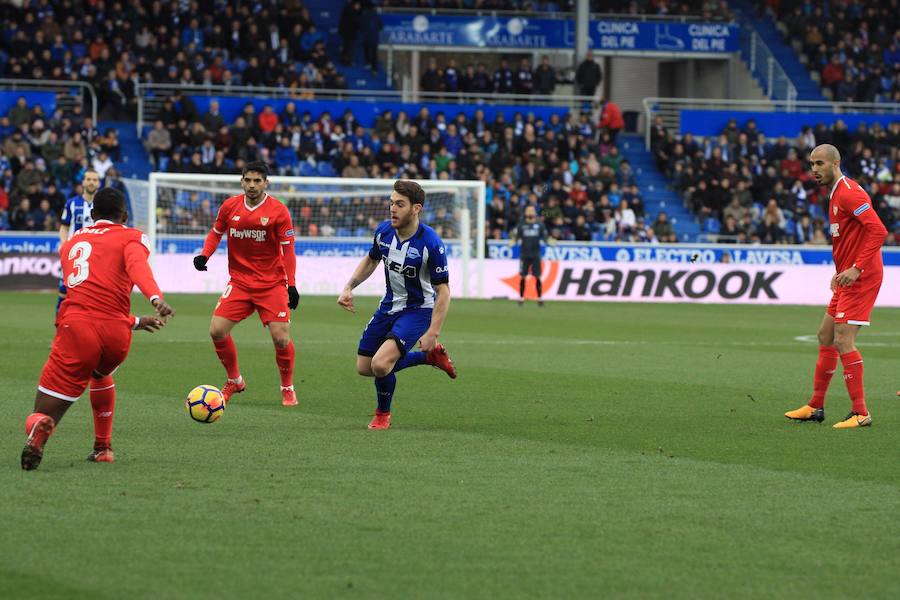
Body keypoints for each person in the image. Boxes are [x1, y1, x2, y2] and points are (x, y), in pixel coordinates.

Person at [21, 187, 175, 470]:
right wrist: (153, 299)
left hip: (77, 329)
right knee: (101, 371)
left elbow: (89, 294)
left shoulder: (73, 242)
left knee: (41, 411)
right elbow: (137, 266)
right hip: (117, 335)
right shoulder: (133, 236)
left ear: (92, 215)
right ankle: (103, 447)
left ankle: (40, 427)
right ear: (125, 216)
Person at [337, 180, 457, 430]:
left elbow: (443, 291)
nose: (393, 209)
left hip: (418, 311)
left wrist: (432, 331)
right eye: (391, 203)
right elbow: (371, 260)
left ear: (416, 209)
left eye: (400, 204)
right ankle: (427, 359)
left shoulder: (431, 243)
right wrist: (349, 286)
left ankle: (383, 414)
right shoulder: (383, 232)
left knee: (380, 364)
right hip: (389, 307)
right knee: (364, 367)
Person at [785, 144, 887, 429]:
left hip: (863, 276)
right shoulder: (834, 194)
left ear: (835, 163)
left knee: (843, 339)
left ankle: (861, 413)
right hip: (848, 275)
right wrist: (842, 270)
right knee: (825, 335)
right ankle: (816, 406)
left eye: (819, 164)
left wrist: (857, 268)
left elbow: (878, 230)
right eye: (811, 164)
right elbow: (849, 238)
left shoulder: (850, 192)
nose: (814, 170)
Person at [192, 162, 300, 407]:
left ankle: (287, 387)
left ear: (265, 183)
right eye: (248, 180)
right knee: (217, 330)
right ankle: (234, 380)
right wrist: (204, 255)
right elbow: (216, 232)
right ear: (242, 181)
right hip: (240, 282)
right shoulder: (230, 206)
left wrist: (291, 285)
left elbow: (288, 250)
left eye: (257, 181)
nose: (252, 185)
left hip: (272, 284)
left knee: (280, 338)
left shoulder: (279, 211)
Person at [57, 169, 101, 314]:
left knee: (94, 292)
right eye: (88, 179)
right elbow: (64, 227)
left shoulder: (102, 205)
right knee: (64, 290)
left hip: (96, 255)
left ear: (99, 183)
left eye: (94, 180)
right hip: (74, 254)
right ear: (83, 182)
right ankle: (60, 322)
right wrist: (65, 246)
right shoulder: (71, 204)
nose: (91, 182)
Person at [508, 204, 554, 307]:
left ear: (534, 212)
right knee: (523, 277)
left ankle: (540, 298)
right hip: (524, 255)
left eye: (532, 211)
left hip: (535, 255)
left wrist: (550, 241)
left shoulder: (540, 225)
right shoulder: (521, 225)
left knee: (537, 277)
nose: (530, 213)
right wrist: (512, 241)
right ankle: (521, 298)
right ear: (525, 213)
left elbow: (545, 238)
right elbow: (516, 237)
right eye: (528, 211)